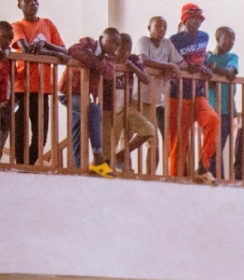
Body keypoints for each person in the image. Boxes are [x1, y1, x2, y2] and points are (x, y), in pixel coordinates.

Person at [10, 0, 68, 166]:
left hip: (43, 87)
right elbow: (27, 49)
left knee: (41, 134)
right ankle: (21, 165)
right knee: (20, 131)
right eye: (28, 1)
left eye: (36, 1)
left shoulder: (48, 24)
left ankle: (26, 165)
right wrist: (51, 52)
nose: (33, 4)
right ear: (19, 5)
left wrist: (45, 44)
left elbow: (65, 50)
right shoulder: (17, 26)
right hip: (21, 87)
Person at [167, 3, 217, 182]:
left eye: (198, 19)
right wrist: (190, 67)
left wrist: (206, 68)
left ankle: (203, 166)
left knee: (213, 119)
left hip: (197, 92)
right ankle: (175, 179)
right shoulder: (174, 40)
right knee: (179, 141)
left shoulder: (205, 37)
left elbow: (205, 59)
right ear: (184, 20)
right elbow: (171, 61)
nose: (195, 22)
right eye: (191, 19)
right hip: (178, 94)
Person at [60, 28, 120, 176]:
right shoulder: (88, 42)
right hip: (70, 91)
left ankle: (88, 162)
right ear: (101, 38)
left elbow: (108, 73)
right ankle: (89, 162)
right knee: (87, 116)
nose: (114, 46)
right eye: (111, 41)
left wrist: (92, 60)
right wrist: (96, 61)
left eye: (117, 44)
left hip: (86, 96)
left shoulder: (111, 57)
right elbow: (73, 50)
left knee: (87, 119)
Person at [108, 34, 155, 171]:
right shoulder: (109, 59)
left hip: (126, 107)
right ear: (115, 48)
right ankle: (108, 164)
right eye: (121, 50)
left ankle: (119, 157)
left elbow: (146, 79)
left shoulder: (133, 59)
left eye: (128, 50)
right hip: (110, 109)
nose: (125, 53)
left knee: (148, 129)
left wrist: (132, 67)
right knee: (109, 144)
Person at [136, 15, 184, 141]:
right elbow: (144, 60)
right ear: (149, 27)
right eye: (158, 26)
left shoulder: (167, 43)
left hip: (155, 100)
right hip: (138, 98)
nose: (162, 29)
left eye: (164, 27)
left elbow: (180, 62)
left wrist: (170, 69)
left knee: (153, 145)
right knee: (127, 139)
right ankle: (118, 160)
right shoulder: (143, 41)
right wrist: (169, 65)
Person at [203, 25, 236, 176]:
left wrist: (212, 71)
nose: (231, 42)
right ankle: (214, 177)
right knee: (213, 147)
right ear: (218, 39)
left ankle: (211, 175)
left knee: (217, 147)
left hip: (226, 111)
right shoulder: (207, 57)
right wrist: (209, 72)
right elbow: (204, 79)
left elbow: (230, 71)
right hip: (211, 109)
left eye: (233, 39)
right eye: (228, 38)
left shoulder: (232, 57)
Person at [0, 22, 15, 158]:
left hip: (5, 100)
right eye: (5, 37)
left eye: (11, 38)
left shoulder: (8, 55)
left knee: (4, 129)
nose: (8, 42)